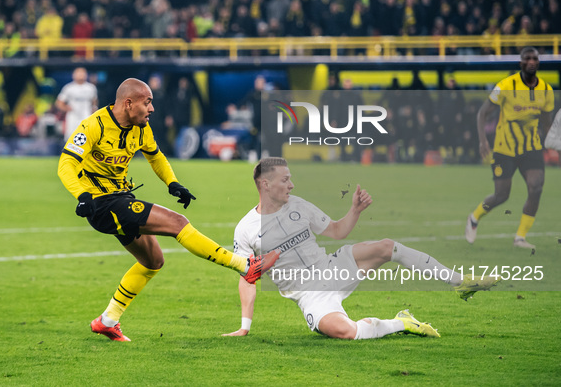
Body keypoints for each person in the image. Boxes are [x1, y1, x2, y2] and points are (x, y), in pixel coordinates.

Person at [57, 78, 279, 342]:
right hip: (102, 204)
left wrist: (172, 183)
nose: (151, 109)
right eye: (147, 102)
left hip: (119, 198)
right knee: (177, 223)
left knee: (153, 262)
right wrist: (82, 195)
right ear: (128, 103)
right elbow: (66, 164)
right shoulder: (93, 125)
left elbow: (156, 156)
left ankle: (108, 320)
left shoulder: (141, 128)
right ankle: (244, 265)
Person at [223, 157, 499, 340]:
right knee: (345, 331)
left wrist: (354, 210)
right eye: (285, 180)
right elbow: (247, 279)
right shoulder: (245, 229)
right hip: (309, 295)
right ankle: (402, 322)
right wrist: (244, 328)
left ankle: (460, 282)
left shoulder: (298, 204)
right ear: (266, 184)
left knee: (388, 247)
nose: (292, 184)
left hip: (331, 268)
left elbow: (336, 231)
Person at [465, 47, 555, 249]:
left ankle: (520, 237)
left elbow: (547, 122)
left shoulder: (547, 91)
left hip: (531, 147)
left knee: (536, 186)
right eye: (527, 58)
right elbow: (482, 113)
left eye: (534, 58)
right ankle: (474, 217)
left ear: (538, 63)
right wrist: (482, 141)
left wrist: (554, 144)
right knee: (501, 195)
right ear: (521, 63)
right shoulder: (506, 85)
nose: (531, 61)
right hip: (504, 149)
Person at [55, 67, 98, 141]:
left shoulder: (91, 88)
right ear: (74, 75)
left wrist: (94, 109)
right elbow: (59, 102)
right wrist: (66, 108)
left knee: (87, 137)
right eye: (78, 73)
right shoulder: (69, 88)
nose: (81, 75)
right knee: (71, 137)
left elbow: (94, 100)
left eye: (83, 73)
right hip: (72, 117)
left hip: (86, 116)